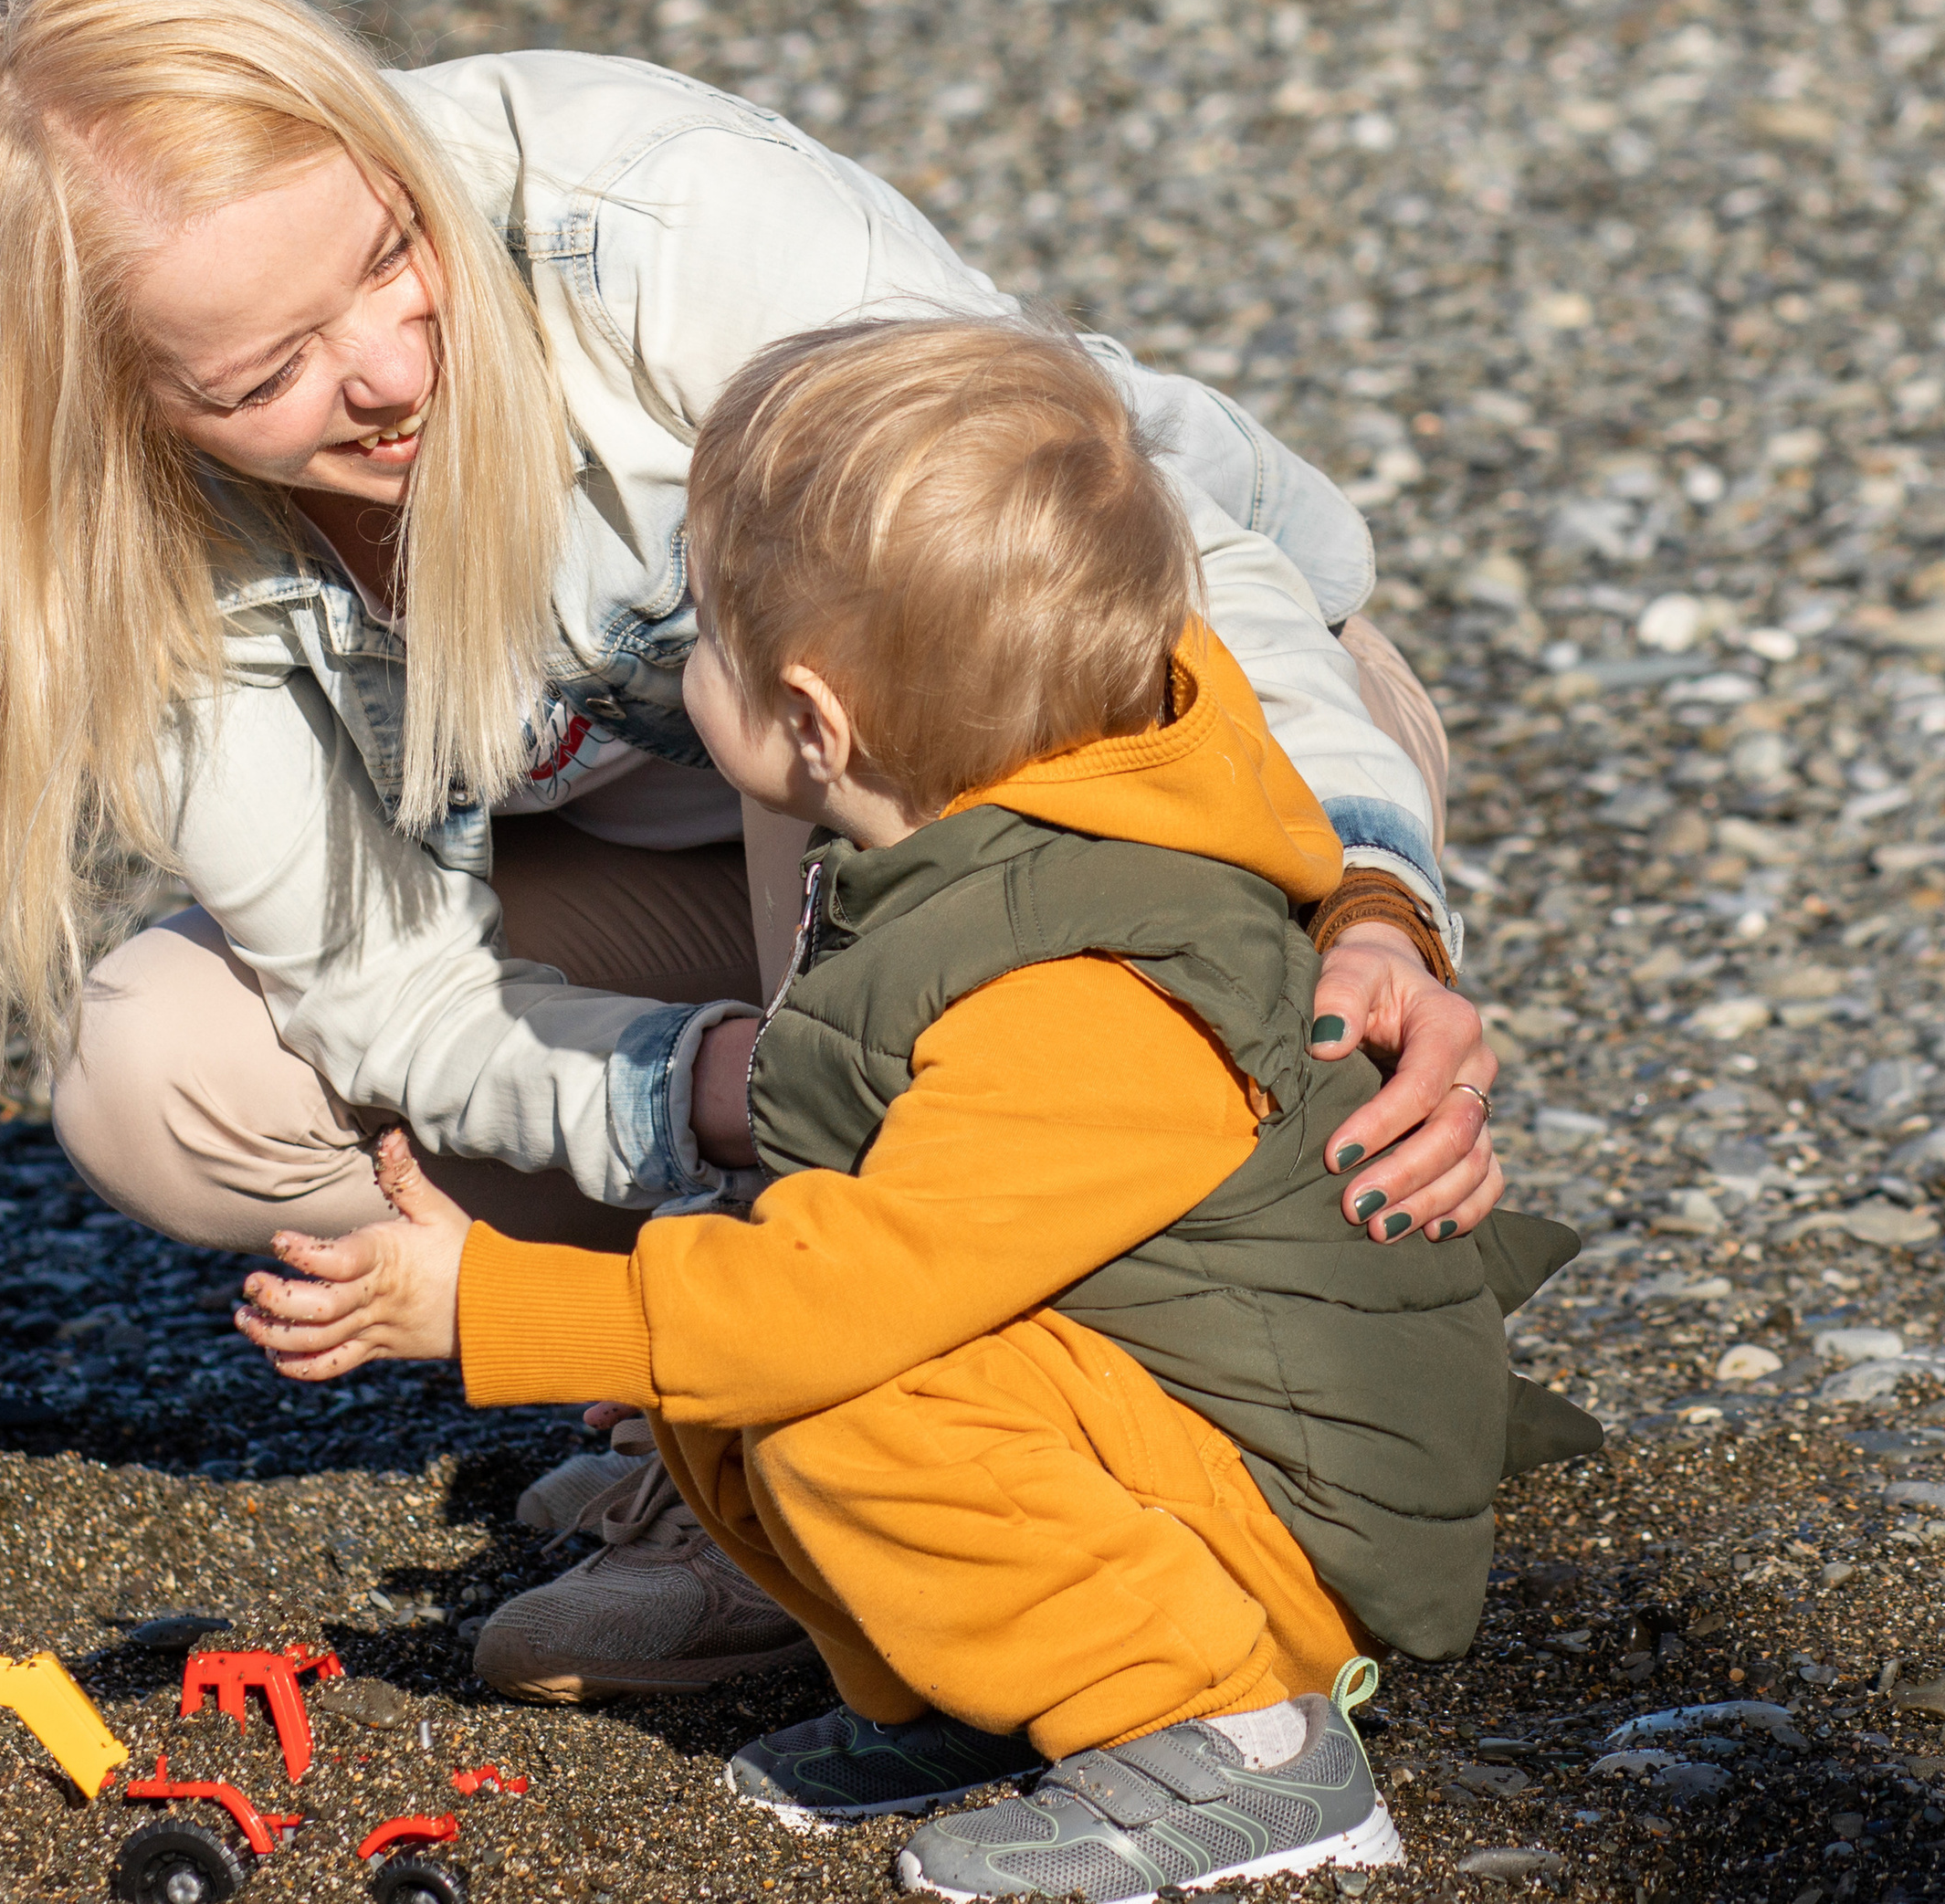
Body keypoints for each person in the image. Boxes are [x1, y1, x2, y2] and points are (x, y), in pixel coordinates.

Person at [0, 0, 1503, 1700]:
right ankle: (765, 1383)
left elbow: (1155, 581)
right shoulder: (118, 534)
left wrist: (1371, 900)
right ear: (115, 405)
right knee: (166, 1070)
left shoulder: (659, 216)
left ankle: (878, 1463)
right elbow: (383, 990)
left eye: (391, 253)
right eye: (266, 380)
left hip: (1154, 736)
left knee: (837, 720)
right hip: (730, 874)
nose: (390, 367)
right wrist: (706, 1086)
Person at [231, 315, 1597, 1898]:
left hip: (1282, 1528)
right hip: (1176, 1426)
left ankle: (1235, 1747)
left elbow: (835, 1305)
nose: (682, 660)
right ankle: (1006, 1692)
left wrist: (493, 1303)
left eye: (707, 636)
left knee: (829, 1383)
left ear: (813, 719)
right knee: (754, 1334)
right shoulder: (992, 839)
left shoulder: (1082, 985)